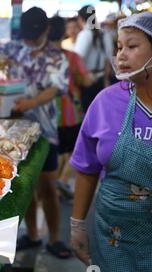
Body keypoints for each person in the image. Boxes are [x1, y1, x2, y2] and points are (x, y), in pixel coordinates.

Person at [70, 12, 152, 272]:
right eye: (118, 47)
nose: (121, 56)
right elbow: (86, 167)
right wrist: (77, 225)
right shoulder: (106, 102)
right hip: (111, 239)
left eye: (132, 46)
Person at [0, 7, 72, 259]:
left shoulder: (57, 57)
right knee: (23, 185)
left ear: (47, 30)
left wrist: (30, 103)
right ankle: (33, 235)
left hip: (44, 130)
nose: (29, 41)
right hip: (12, 131)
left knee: (48, 186)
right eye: (26, 36)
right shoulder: (12, 49)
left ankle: (56, 239)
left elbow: (54, 89)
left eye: (33, 37)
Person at [48, 16, 95, 201]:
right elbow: (85, 80)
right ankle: (62, 180)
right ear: (64, 32)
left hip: (48, 113)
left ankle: (55, 185)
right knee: (74, 148)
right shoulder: (72, 57)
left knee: (57, 150)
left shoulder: (41, 57)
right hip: (69, 112)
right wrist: (91, 77)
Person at [74, 5, 114, 112]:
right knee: (99, 113)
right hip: (101, 80)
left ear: (80, 19)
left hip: (87, 81)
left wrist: (83, 76)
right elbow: (108, 60)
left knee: (88, 114)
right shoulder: (105, 33)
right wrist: (106, 80)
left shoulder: (85, 34)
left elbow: (77, 59)